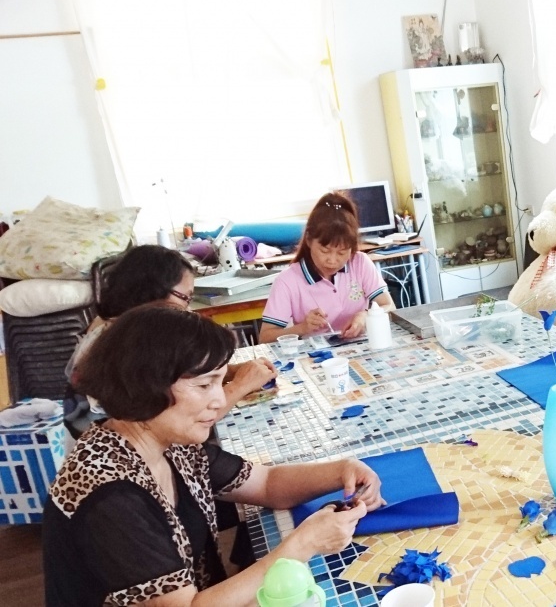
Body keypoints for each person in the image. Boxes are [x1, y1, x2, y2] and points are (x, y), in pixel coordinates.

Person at [44, 306, 384, 606]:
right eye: (205, 385)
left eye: (221, 383)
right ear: (147, 383)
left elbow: (265, 484)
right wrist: (302, 545)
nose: (221, 401)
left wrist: (341, 469)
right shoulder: (110, 495)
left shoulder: (168, 441)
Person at [64, 245, 276, 435]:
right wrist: (240, 386)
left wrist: (229, 372)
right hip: (112, 444)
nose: (188, 308)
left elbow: (175, 375)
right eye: (185, 298)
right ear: (151, 292)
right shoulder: (132, 343)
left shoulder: (118, 324)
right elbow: (183, 418)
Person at [260, 193, 395, 343]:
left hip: (362, 348)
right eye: (325, 251)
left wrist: (366, 315)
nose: (332, 261)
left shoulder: (360, 263)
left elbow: (389, 306)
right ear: (309, 240)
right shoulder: (287, 281)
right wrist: (302, 328)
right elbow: (265, 338)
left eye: (342, 252)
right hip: (317, 358)